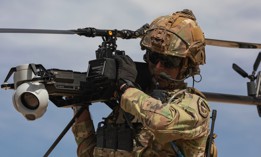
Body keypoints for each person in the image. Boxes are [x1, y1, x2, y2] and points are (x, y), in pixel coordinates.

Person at [72, 9, 216, 157]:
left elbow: (161, 121)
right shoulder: (130, 107)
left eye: (169, 61)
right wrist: (79, 107)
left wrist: (125, 88)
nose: (159, 67)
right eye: (154, 57)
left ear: (187, 67)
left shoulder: (194, 107)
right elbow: (89, 154)